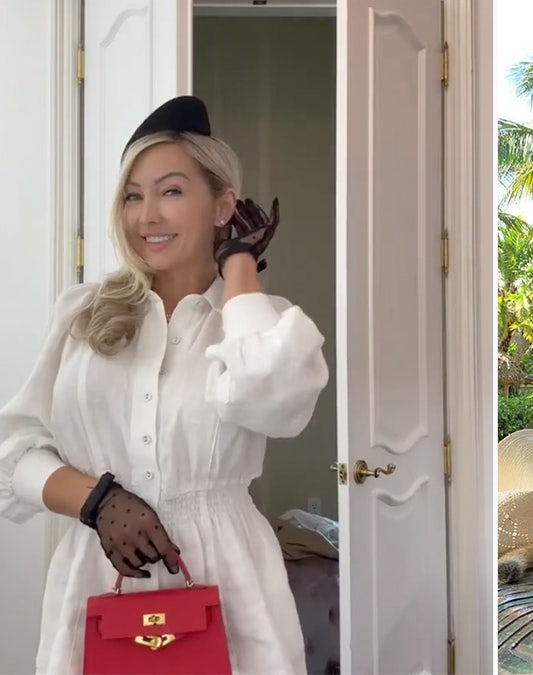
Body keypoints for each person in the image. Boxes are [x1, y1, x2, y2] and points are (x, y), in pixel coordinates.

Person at [0, 96, 328, 673]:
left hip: (231, 583)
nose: (146, 215)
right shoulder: (82, 314)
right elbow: (11, 454)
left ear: (224, 204)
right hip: (98, 578)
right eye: (133, 195)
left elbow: (274, 402)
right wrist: (96, 501)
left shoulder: (260, 319)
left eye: (171, 191)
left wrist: (241, 266)